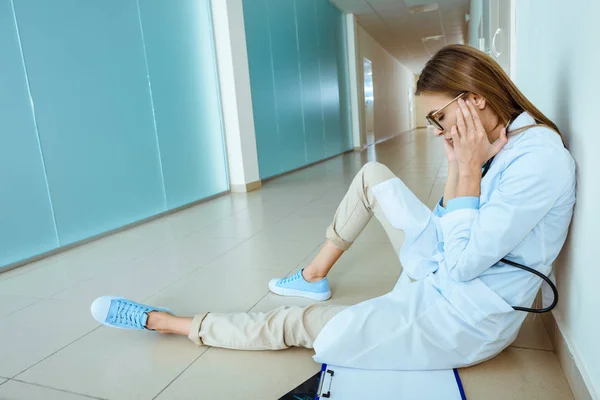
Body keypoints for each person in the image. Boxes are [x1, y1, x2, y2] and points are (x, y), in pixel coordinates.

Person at [90, 45, 576, 370]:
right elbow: (451, 231)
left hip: (465, 320)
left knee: (293, 323)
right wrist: (459, 168)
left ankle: (166, 322)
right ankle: (312, 276)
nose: (438, 130)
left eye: (439, 117)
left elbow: (462, 264)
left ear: (474, 102)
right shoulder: (506, 143)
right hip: (442, 271)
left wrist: (466, 170)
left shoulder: (540, 161)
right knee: (373, 177)